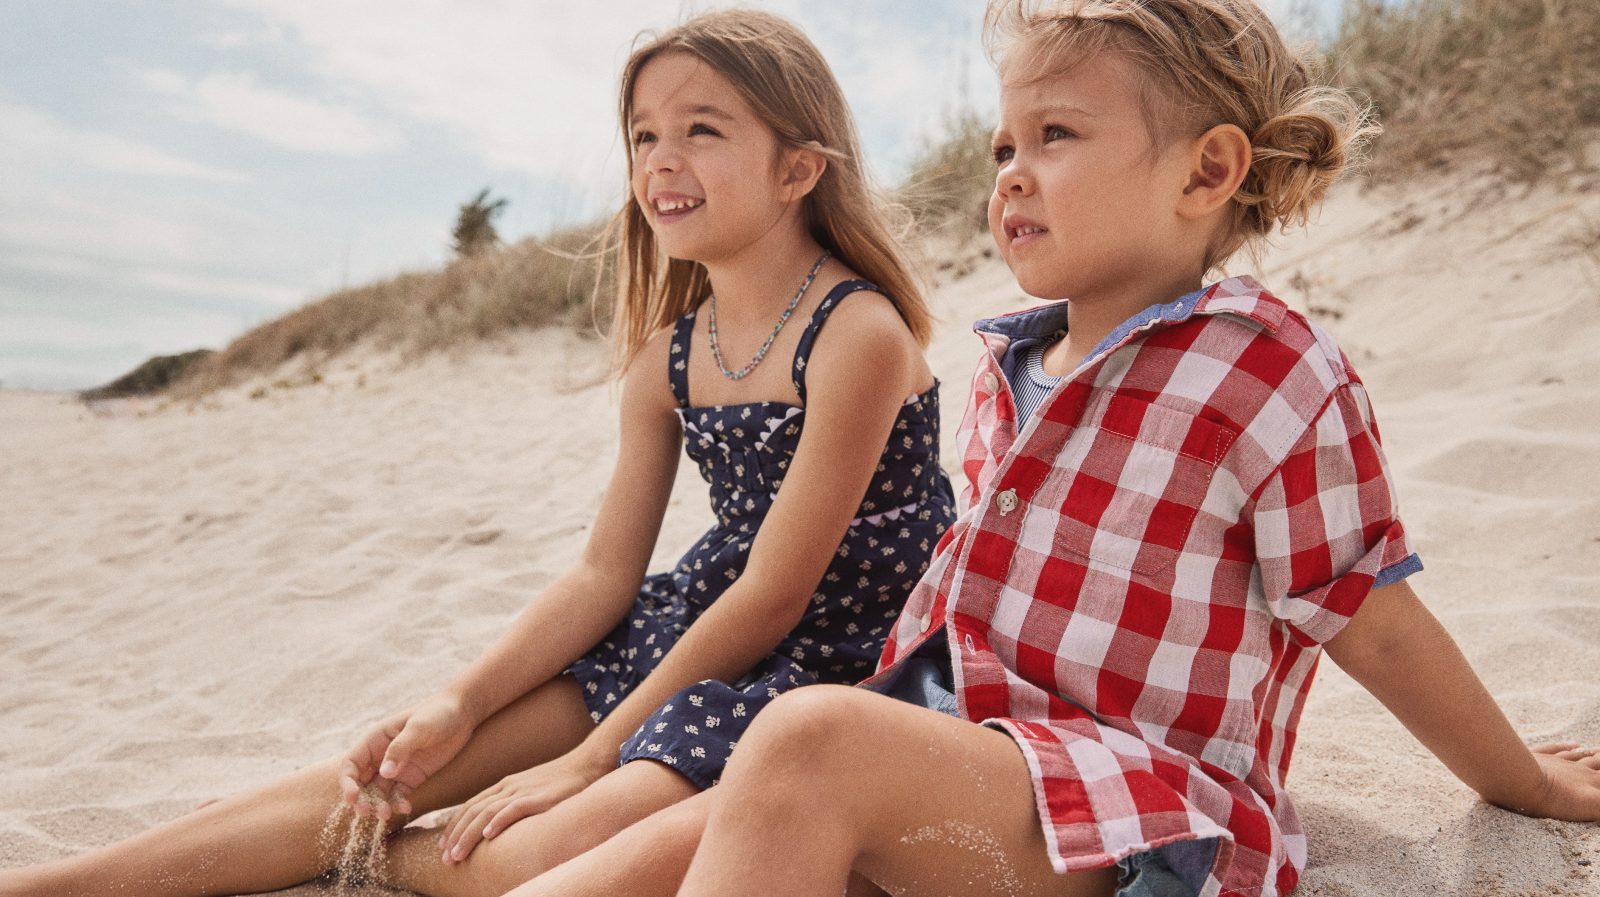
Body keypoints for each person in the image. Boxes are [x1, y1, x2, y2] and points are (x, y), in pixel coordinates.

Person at [494, 2, 1600, 896]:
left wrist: (1521, 783)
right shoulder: (1016, 366)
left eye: (1055, 136)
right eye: (1002, 146)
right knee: (632, 857)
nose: (1010, 173)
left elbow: (1369, 614)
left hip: (1136, 814)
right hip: (964, 751)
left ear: (1205, 172)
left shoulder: (1265, 369)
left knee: (804, 743)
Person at [0, 9, 955, 897]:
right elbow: (599, 575)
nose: (663, 158)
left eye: (703, 129)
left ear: (799, 171)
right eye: (644, 135)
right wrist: (457, 698)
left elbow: (777, 594)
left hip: (836, 658)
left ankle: (342, 847)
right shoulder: (669, 357)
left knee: (557, 841)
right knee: (397, 765)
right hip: (698, 622)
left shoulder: (854, 333)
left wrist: (589, 760)